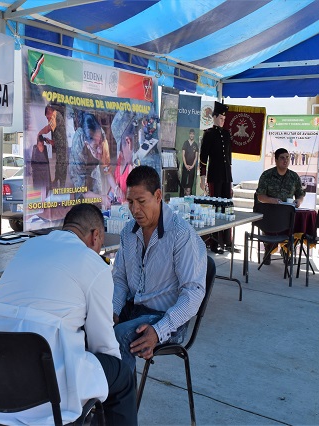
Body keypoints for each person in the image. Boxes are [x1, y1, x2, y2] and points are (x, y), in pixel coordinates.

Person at [0, 203, 137, 425]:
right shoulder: (93, 263)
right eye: (100, 244)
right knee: (121, 375)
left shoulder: (28, 248)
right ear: (96, 236)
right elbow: (103, 345)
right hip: (43, 393)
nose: (99, 249)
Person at [112, 165, 206, 373]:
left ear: (157, 196)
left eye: (141, 202)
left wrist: (159, 330)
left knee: (120, 337)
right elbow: (119, 278)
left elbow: (193, 293)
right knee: (90, 327)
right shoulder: (129, 232)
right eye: (130, 202)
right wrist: (113, 311)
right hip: (134, 308)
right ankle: (98, 396)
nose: (135, 209)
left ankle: (121, 405)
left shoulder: (181, 234)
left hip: (167, 317)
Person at [255, 147, 305, 265]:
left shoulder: (294, 177)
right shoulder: (267, 175)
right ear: (276, 160)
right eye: (282, 158)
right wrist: (271, 200)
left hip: (287, 214)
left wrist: (298, 201)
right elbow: (260, 196)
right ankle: (268, 250)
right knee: (269, 223)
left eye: (287, 158)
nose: (285, 160)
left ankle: (287, 251)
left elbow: (300, 195)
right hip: (270, 212)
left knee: (296, 225)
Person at [199, 101, 236, 254]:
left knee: (227, 209)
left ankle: (227, 241)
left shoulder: (227, 134)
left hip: (226, 176)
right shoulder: (208, 134)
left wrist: (232, 183)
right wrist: (202, 178)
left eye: (224, 118)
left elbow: (229, 159)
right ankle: (214, 242)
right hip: (214, 176)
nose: (223, 120)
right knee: (215, 208)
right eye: (220, 117)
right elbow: (203, 159)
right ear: (214, 117)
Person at [69, 111, 104, 200]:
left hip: (93, 165)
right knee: (82, 201)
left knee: (98, 194)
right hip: (79, 170)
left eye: (100, 143)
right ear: (87, 144)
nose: (100, 150)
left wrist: (100, 197)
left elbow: (107, 167)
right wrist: (101, 198)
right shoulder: (78, 148)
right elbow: (82, 190)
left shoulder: (100, 134)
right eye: (96, 146)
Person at [38, 104, 68, 187]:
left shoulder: (56, 115)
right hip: (59, 147)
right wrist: (50, 141)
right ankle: (55, 182)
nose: (48, 120)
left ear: (50, 111)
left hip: (62, 148)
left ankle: (62, 187)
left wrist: (40, 133)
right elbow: (58, 139)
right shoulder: (55, 119)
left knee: (62, 167)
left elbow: (48, 128)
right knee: (58, 166)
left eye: (48, 118)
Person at [180, 129, 199, 196]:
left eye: (193, 134)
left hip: (192, 167)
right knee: (183, 181)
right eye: (190, 134)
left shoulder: (195, 145)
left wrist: (192, 166)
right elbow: (183, 155)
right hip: (185, 166)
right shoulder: (185, 143)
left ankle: (190, 197)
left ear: (194, 135)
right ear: (189, 134)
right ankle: (181, 196)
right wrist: (185, 165)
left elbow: (196, 157)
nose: (191, 135)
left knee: (191, 182)